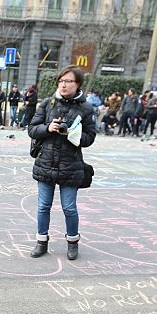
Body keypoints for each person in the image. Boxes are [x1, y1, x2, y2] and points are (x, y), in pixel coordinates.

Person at [28, 66, 97, 260]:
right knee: (43, 206)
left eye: (68, 81)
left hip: (71, 165)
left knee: (69, 207)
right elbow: (32, 129)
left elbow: (90, 137)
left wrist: (72, 134)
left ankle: (73, 242)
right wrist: (48, 128)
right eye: (61, 81)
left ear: (78, 85)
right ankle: (41, 241)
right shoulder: (47, 104)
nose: (64, 84)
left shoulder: (86, 108)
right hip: (46, 163)